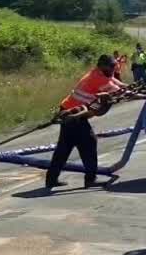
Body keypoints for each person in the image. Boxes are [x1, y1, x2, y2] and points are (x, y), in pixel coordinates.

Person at [46, 54, 124, 190]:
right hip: (73, 114)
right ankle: (90, 180)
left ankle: (51, 179)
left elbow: (119, 84)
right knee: (88, 143)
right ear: (102, 65)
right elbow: (118, 91)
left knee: (64, 147)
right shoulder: (97, 78)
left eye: (115, 66)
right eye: (111, 66)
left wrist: (133, 86)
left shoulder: (100, 73)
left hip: (70, 110)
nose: (113, 68)